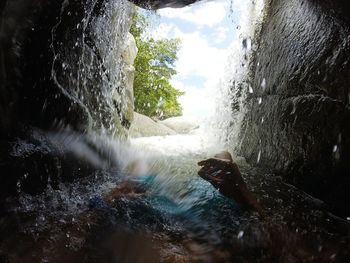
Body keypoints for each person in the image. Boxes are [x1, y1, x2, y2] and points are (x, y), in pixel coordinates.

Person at [198, 151, 264, 216]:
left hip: (256, 212)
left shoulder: (235, 179)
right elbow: (202, 174)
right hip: (249, 214)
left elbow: (230, 164)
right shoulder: (221, 183)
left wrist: (211, 160)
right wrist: (209, 167)